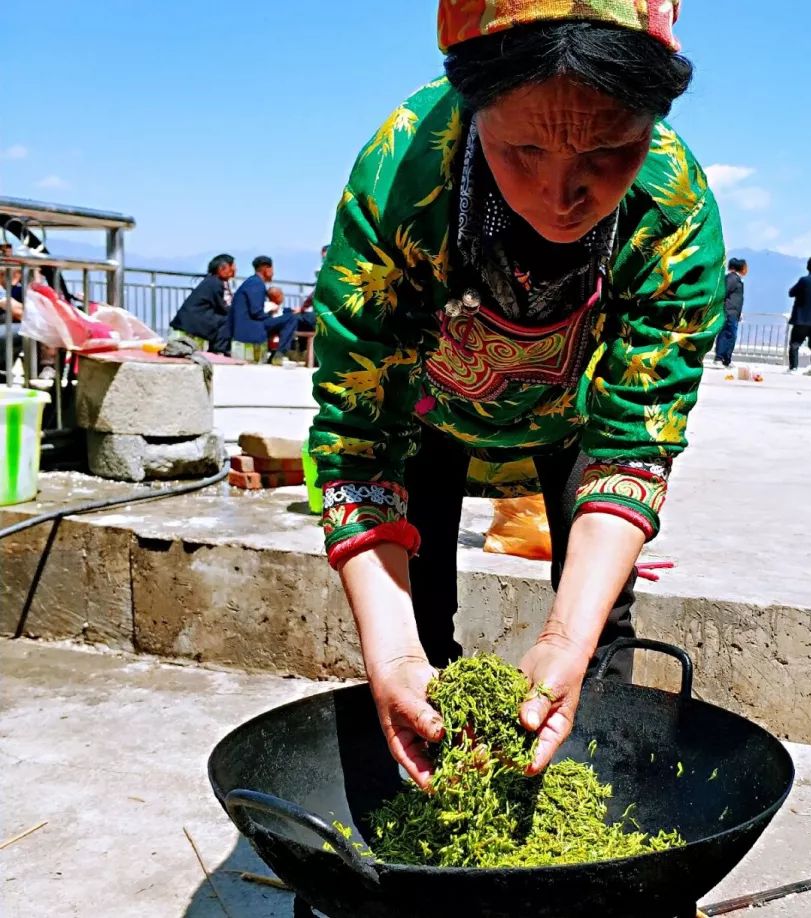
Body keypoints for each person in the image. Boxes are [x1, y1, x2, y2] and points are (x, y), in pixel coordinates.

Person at [310, 1, 726, 788]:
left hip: (577, 426)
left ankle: (590, 787)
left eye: (610, 150)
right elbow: (358, 436)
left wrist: (565, 638)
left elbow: (638, 434)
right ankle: (434, 785)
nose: (561, 194)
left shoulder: (671, 211)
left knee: (597, 634)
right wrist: (394, 652)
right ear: (473, 107)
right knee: (419, 625)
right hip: (424, 419)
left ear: (653, 120)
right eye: (523, 149)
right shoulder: (400, 180)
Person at [228, 256, 301, 365]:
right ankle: (279, 354)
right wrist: (271, 317)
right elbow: (256, 312)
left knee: (288, 314)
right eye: (272, 270)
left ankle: (275, 353)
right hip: (251, 327)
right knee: (292, 319)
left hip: (250, 323)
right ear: (266, 269)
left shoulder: (252, 282)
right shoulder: (256, 283)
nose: (273, 273)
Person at [169, 254, 236, 354]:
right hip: (194, 319)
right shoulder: (215, 283)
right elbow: (222, 308)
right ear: (221, 269)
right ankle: (220, 350)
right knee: (227, 320)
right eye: (232, 268)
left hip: (192, 317)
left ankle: (217, 349)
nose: (234, 270)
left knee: (223, 319)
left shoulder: (212, 280)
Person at [713, 257, 748, 367]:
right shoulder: (732, 279)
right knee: (726, 334)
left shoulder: (737, 280)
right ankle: (719, 358)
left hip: (734, 313)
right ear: (741, 268)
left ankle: (727, 359)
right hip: (729, 311)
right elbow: (724, 293)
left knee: (732, 335)